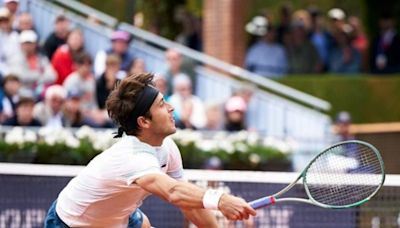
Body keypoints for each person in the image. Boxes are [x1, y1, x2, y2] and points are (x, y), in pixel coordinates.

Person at [44, 73, 256, 227]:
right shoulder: (133, 157)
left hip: (121, 218)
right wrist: (221, 200)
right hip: (70, 223)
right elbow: (173, 192)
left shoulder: (167, 147)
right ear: (144, 121)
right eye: (162, 104)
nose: (171, 108)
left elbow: (189, 205)